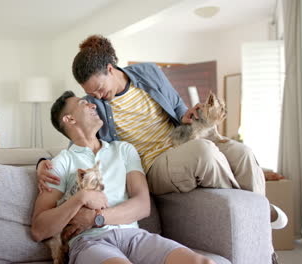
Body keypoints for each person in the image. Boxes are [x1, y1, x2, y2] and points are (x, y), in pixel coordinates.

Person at [37, 34, 287, 230]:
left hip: (182, 141)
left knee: (242, 152)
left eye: (99, 88)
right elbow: (79, 139)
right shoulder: (96, 107)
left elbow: (178, 109)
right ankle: (258, 211)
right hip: (153, 165)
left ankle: (258, 217)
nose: (97, 96)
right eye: (90, 93)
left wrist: (187, 117)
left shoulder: (149, 72)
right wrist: (43, 163)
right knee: (203, 151)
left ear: (111, 69)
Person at [30, 91, 215, 264]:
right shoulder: (60, 163)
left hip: (133, 236)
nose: (93, 105)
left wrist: (97, 217)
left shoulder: (124, 150)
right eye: (83, 104)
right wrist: (81, 198)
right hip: (90, 243)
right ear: (70, 119)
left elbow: (143, 205)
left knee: (203, 262)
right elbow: (39, 230)